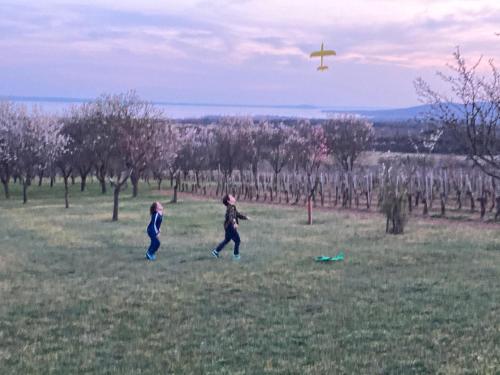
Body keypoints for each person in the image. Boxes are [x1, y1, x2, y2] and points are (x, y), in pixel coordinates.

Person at [211, 194, 249, 260]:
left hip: (228, 226)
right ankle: (236, 255)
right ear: (229, 201)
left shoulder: (232, 207)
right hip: (230, 226)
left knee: (227, 240)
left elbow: (237, 214)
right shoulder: (231, 208)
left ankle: (215, 252)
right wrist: (234, 223)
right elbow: (231, 216)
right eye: (231, 197)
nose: (233, 196)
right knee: (237, 240)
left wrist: (245, 217)